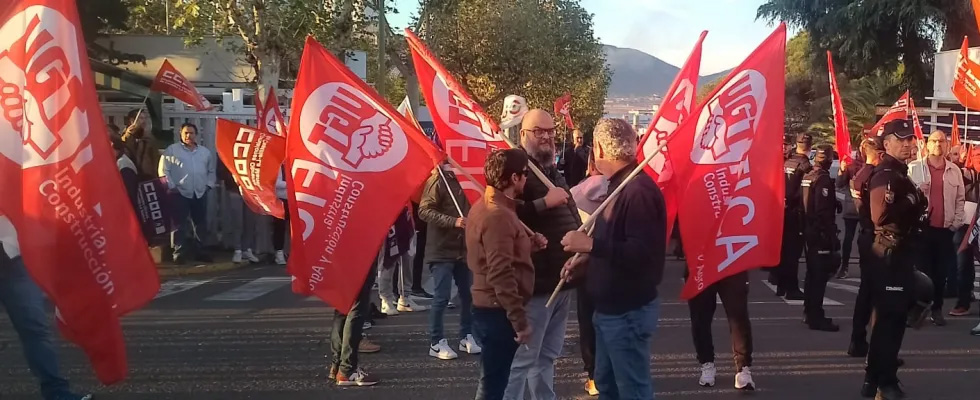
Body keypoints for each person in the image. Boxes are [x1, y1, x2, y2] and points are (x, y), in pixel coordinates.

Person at [561, 118, 666, 399]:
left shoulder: (637, 191)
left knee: (632, 390)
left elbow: (642, 254)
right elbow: (617, 244)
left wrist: (591, 246)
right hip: (609, 310)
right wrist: (586, 259)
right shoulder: (619, 185)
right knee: (607, 385)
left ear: (598, 149)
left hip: (627, 312)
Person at [504, 109, 582, 400]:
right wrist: (543, 203)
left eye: (551, 131)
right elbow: (502, 211)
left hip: (562, 279)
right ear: (523, 134)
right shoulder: (516, 168)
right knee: (523, 360)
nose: (547, 136)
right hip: (536, 283)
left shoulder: (551, 168)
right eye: (540, 131)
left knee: (547, 356)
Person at [466, 149, 544, 400]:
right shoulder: (497, 215)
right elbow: (500, 272)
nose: (526, 179)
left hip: (491, 307)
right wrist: (519, 321)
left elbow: (500, 254)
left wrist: (529, 245)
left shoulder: (494, 208)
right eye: (524, 174)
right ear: (513, 178)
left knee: (493, 379)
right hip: (496, 311)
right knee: (493, 385)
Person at [863, 119, 927, 400]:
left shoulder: (901, 173)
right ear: (885, 143)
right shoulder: (886, 174)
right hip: (889, 253)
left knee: (895, 318)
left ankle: (873, 379)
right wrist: (913, 202)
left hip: (901, 253)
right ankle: (883, 382)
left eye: (909, 139)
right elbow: (881, 216)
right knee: (890, 321)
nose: (907, 144)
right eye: (900, 139)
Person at [0, 230, 94, 400]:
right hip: (15, 257)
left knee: (35, 328)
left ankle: (57, 392)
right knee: (35, 330)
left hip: (14, 256)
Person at [418, 163, 480, 360]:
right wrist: (453, 221)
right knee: (442, 297)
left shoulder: (470, 178)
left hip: (464, 249)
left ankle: (466, 336)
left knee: (468, 295)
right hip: (441, 250)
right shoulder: (438, 179)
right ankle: (436, 342)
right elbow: (424, 210)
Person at [908, 131, 965, 327]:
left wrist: (956, 222)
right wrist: (917, 191)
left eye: (942, 141)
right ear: (927, 144)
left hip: (945, 229)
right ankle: (917, 309)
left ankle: (937, 309)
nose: (938, 144)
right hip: (923, 228)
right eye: (934, 141)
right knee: (923, 273)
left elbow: (960, 199)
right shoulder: (914, 168)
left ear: (947, 145)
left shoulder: (954, 170)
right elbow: (904, 197)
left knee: (941, 274)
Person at [568, 152, 606, 396]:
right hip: (612, 264)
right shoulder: (621, 189)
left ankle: (592, 377)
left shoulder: (576, 193)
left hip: (584, 266)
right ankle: (609, 370)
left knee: (587, 322)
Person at [685, 269, 754, 391]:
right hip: (701, 262)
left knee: (739, 315)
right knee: (700, 317)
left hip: (731, 260)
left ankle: (743, 367)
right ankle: (706, 363)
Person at [848, 137, 885, 358]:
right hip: (873, 235)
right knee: (876, 295)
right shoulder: (874, 177)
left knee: (866, 292)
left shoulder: (860, 174)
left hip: (865, 234)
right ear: (880, 154)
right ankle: (870, 345)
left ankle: (858, 340)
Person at [158, 123, 216, 264]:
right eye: (186, 133)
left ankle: (201, 251)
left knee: (200, 223)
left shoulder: (204, 152)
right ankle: (179, 252)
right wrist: (171, 186)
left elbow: (211, 170)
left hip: (200, 192)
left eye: (191, 133)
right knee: (179, 224)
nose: (188, 136)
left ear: (196, 135)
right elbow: (163, 171)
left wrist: (209, 185)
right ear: (181, 134)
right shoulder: (172, 151)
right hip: (180, 193)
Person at [802, 145, 842, 332]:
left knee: (811, 275)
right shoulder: (823, 179)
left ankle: (809, 312)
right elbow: (823, 210)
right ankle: (815, 316)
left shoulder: (808, 175)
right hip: (819, 233)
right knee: (818, 277)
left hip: (808, 230)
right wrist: (831, 235)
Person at [329, 251, 382, 387]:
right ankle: (347, 369)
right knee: (356, 308)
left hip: (340, 250)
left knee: (342, 307)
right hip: (361, 251)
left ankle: (337, 365)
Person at [776, 133, 812, 300]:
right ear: (810, 147)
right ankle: (791, 288)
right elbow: (806, 193)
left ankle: (781, 285)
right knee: (793, 254)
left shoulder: (787, 162)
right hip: (796, 213)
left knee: (784, 252)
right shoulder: (805, 165)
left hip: (783, 212)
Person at [377, 206, 427, 315]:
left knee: (407, 261)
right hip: (388, 224)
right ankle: (386, 299)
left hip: (407, 222)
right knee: (388, 262)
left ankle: (405, 297)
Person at [951, 146, 980, 317]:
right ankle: (963, 301)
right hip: (965, 228)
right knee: (963, 265)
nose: (978, 158)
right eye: (975, 155)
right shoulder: (964, 174)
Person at [217, 163, 259, 264]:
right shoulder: (228, 150)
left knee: (250, 221)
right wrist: (232, 178)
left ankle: (246, 249)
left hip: (250, 191)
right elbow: (221, 171)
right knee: (237, 221)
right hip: (234, 190)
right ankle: (238, 249)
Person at [837, 156, 864, 279]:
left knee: (857, 238)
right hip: (857, 206)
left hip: (857, 205)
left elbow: (840, 184)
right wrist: (842, 171)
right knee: (852, 237)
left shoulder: (853, 166)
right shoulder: (853, 166)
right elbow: (840, 184)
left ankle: (847, 266)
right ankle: (845, 266)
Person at [121, 108, 160, 180]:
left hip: (147, 176)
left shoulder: (150, 138)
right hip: (129, 175)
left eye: (145, 118)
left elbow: (155, 159)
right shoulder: (124, 137)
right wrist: (129, 134)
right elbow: (122, 148)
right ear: (132, 120)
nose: (144, 121)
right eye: (141, 118)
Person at [272, 166, 289, 265]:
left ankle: (290, 251)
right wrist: (290, 184)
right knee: (279, 227)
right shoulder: (278, 166)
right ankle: (279, 252)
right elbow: (275, 182)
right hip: (280, 199)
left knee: (293, 228)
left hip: (293, 199)